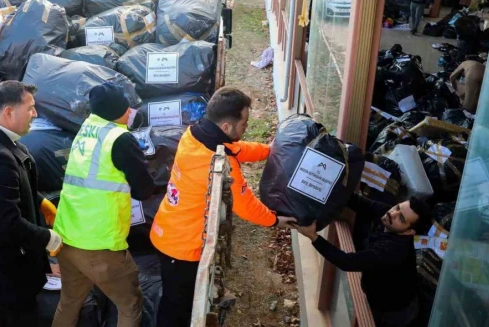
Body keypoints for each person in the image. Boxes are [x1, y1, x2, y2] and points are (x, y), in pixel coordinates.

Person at [150, 87, 297, 327]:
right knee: (177, 307)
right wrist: (274, 220)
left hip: (168, 228)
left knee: (179, 298)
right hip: (181, 247)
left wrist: (270, 151)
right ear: (227, 127)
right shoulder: (217, 160)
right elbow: (245, 204)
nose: (246, 127)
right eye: (244, 123)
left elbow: (236, 149)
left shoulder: (196, 134)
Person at [52, 82, 156, 327]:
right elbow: (144, 190)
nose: (131, 110)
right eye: (127, 106)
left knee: (69, 302)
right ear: (118, 109)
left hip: (67, 237)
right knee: (130, 304)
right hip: (100, 244)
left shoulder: (87, 127)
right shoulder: (120, 139)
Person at [0, 81, 61, 326]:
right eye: (30, 108)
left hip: (6, 265)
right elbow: (8, 224)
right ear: (9, 112)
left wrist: (41, 203)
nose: (35, 114)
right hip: (6, 272)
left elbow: (11, 187)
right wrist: (50, 239)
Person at [294, 194, 433, 327]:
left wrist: (314, 237)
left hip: (392, 312)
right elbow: (357, 201)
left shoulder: (393, 251)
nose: (393, 213)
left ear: (409, 232)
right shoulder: (388, 213)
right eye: (397, 207)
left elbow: (347, 262)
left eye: (402, 219)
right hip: (383, 295)